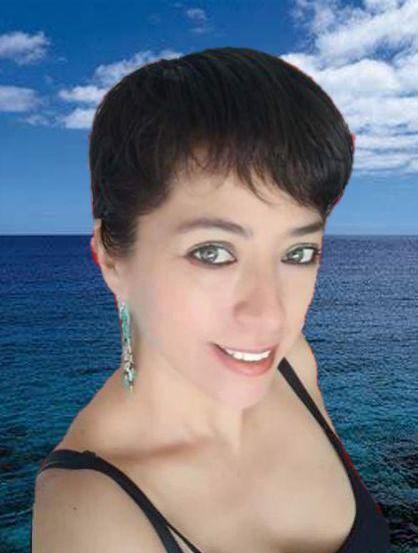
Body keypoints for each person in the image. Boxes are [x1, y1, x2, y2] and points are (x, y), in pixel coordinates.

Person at [31, 46, 390, 553]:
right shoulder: (92, 515)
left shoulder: (294, 364)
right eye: (213, 252)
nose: (269, 315)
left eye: (298, 252)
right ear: (111, 259)